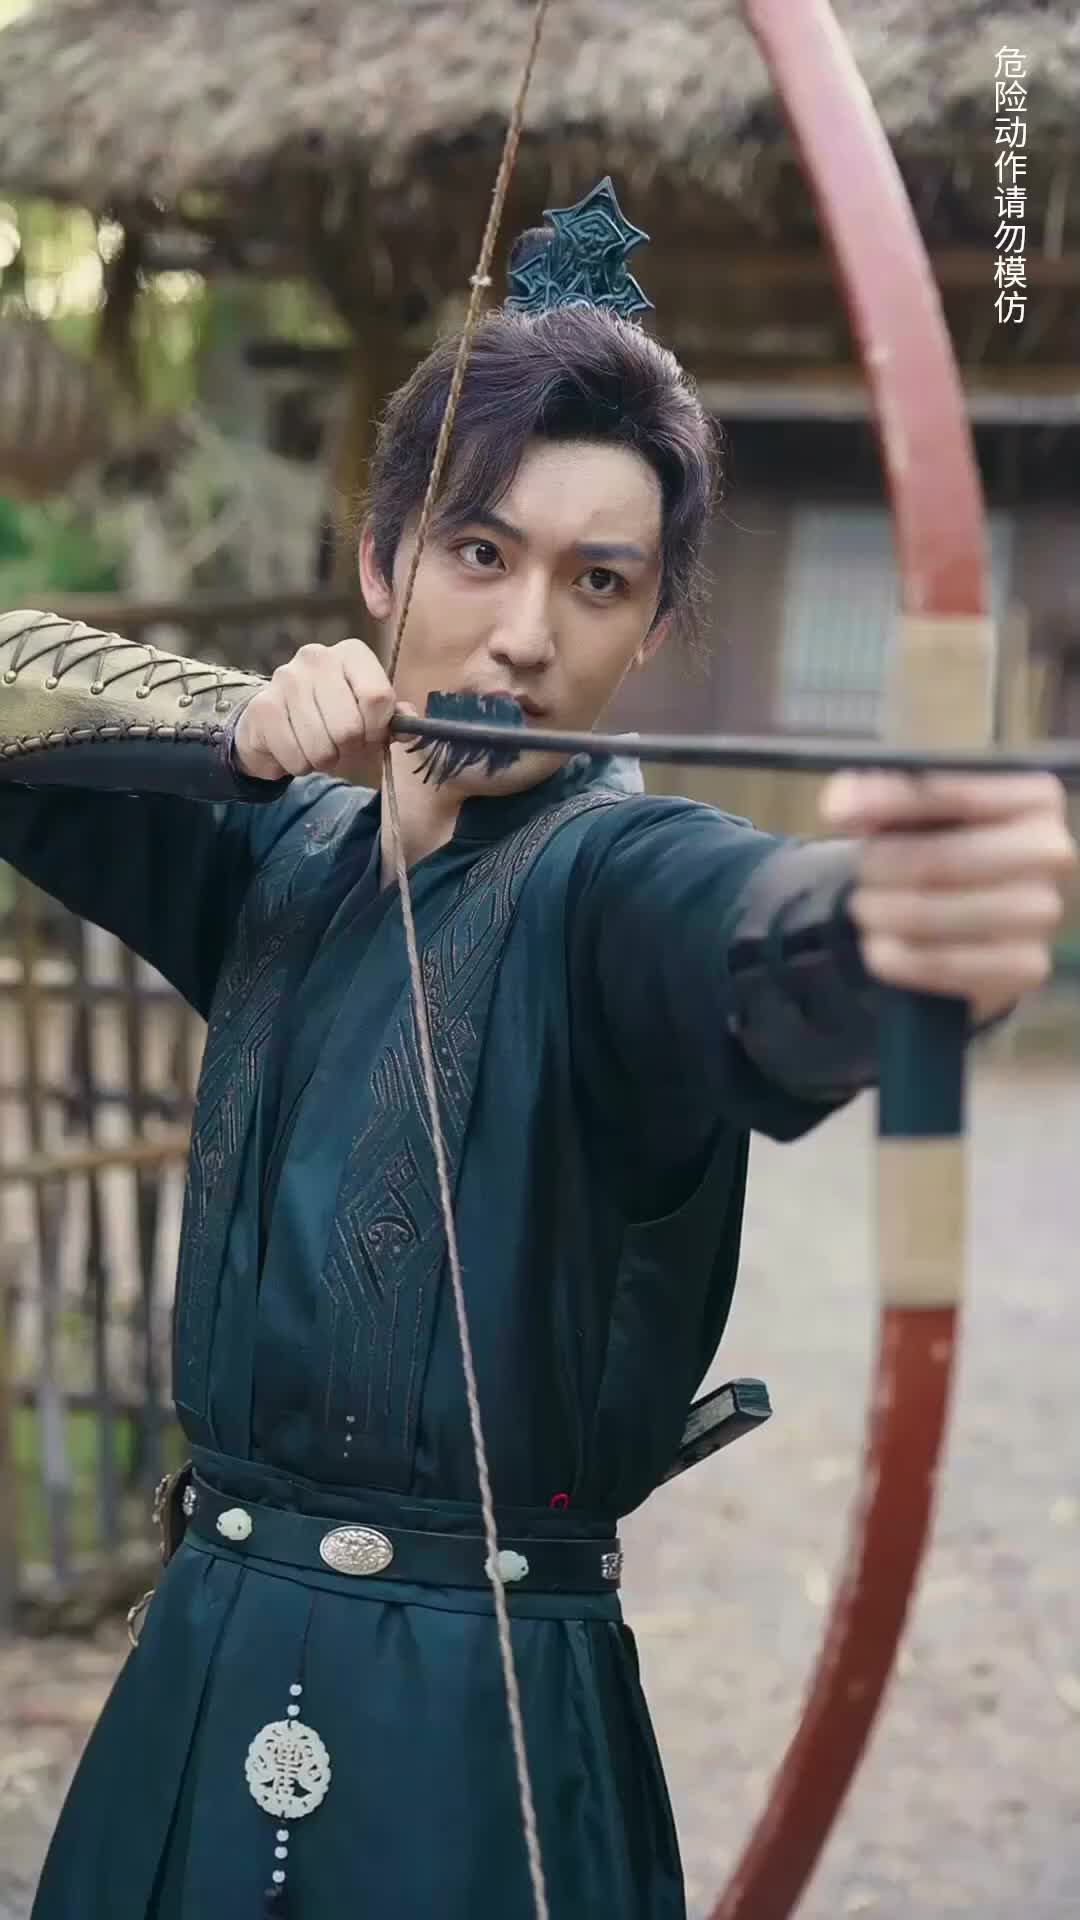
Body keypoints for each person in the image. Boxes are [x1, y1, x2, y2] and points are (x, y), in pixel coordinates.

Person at [3, 184, 1074, 1920]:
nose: (523, 634)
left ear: (651, 631)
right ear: (382, 564)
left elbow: (754, 937)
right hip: (198, 1669)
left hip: (475, 1746)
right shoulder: (276, 851)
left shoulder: (612, 886)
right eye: (478, 552)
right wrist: (224, 721)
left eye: (599, 583)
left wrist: (894, 924)